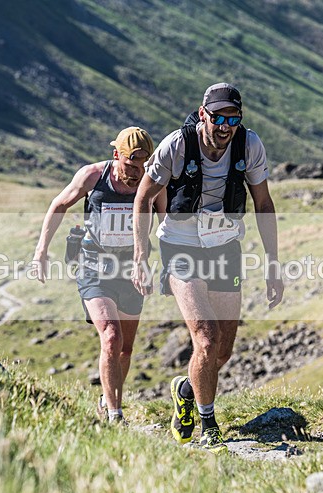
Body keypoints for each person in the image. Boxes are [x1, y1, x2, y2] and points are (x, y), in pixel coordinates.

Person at [132, 83, 284, 452]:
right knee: (206, 338)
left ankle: (185, 390)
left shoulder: (250, 145)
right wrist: (140, 254)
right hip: (180, 246)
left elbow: (263, 204)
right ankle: (209, 425)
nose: (225, 126)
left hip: (225, 247)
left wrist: (273, 263)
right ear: (203, 115)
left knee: (222, 351)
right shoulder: (176, 146)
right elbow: (142, 198)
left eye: (233, 118)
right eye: (218, 117)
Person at [32, 126, 165, 424]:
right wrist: (41, 250)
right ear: (115, 154)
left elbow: (166, 224)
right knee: (111, 336)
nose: (135, 173)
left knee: (126, 349)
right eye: (130, 165)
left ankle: (107, 398)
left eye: (142, 166)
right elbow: (58, 205)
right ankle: (115, 415)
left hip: (131, 269)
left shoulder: (154, 183)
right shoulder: (93, 176)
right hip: (94, 265)